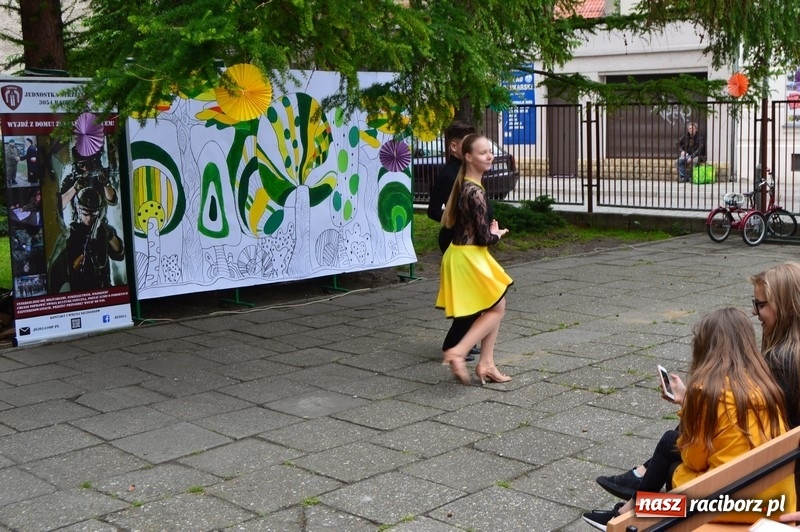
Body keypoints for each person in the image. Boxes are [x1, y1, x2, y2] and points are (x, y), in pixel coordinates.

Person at [596, 261, 800, 500]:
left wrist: (692, 403)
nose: (755, 312)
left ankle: (633, 504)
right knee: (682, 431)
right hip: (772, 469)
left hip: (761, 478)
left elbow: (738, 422)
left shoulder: (780, 363)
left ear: (785, 306)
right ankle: (636, 490)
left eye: (760, 304)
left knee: (673, 456)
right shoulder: (786, 356)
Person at [583, 308, 795, 530]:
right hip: (774, 502)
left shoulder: (708, 393)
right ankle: (625, 513)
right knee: (669, 443)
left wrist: (690, 407)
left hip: (729, 504)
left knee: (675, 468)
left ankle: (624, 520)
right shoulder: (765, 387)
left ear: (704, 347)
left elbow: (694, 459)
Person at [436, 134, 513, 385]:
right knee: (495, 307)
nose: (489, 156)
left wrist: (489, 233)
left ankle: (486, 364)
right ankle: (458, 351)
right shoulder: (474, 192)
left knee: (496, 305)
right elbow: (483, 239)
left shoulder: (468, 186)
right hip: (468, 256)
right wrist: (496, 234)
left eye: (490, 151)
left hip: (465, 254)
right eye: (482, 153)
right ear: (468, 157)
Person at [427, 121, 480, 362]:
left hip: (466, 242)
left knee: (475, 294)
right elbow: (432, 210)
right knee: (469, 295)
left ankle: (465, 341)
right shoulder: (449, 174)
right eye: (468, 144)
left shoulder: (464, 172)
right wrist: (455, 221)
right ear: (454, 146)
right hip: (454, 242)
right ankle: (454, 345)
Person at [63, 187, 124, 292]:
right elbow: (63, 272)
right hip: (80, 290)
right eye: (85, 213)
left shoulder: (104, 229)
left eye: (93, 214)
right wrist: (74, 266)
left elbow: (119, 254)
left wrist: (109, 236)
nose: (89, 218)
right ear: (78, 209)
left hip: (103, 287)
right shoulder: (70, 233)